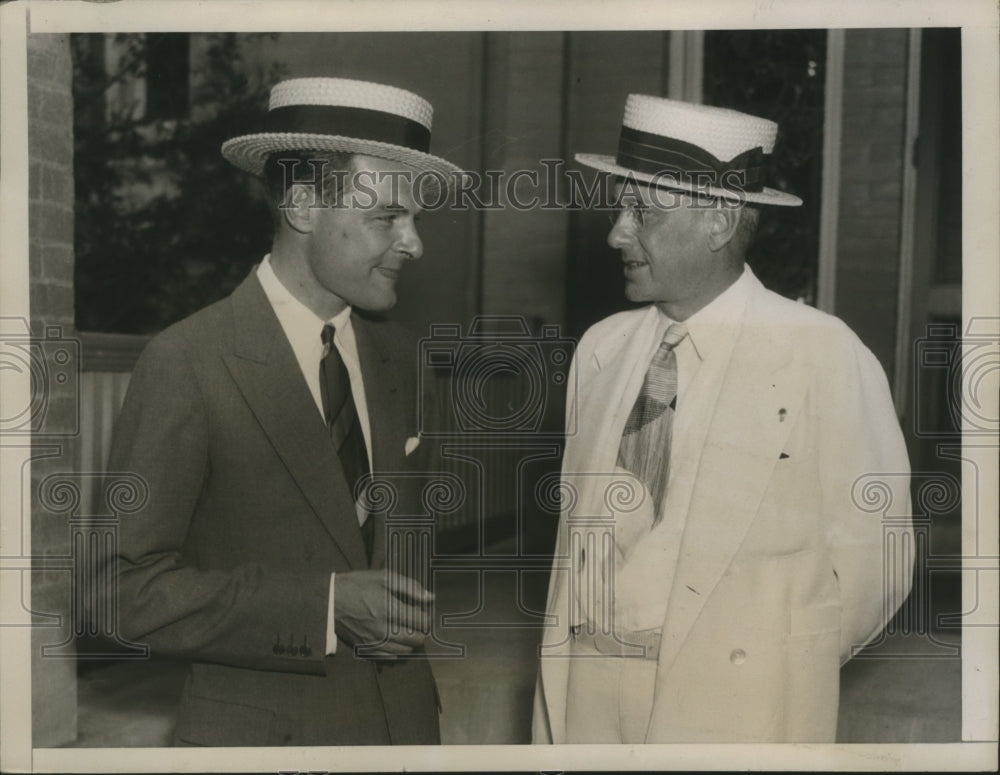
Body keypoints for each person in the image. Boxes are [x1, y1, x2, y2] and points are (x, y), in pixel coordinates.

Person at [532, 95, 913, 743]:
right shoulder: (601, 348)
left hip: (741, 710)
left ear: (718, 221)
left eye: (642, 214)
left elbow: (878, 560)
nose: (616, 232)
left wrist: (772, 661)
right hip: (591, 704)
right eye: (621, 209)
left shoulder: (822, 352)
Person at [105, 77, 464, 746]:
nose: (415, 244)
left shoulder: (407, 362)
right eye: (388, 217)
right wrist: (323, 607)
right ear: (302, 204)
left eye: (414, 218)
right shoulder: (188, 361)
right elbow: (121, 593)